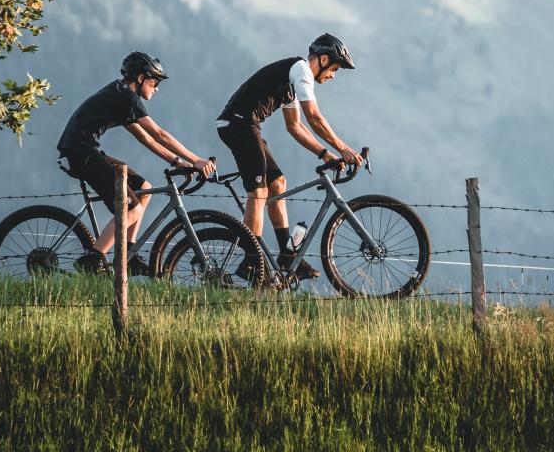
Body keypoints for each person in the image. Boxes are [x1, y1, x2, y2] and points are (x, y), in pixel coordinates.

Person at [216, 33, 363, 280]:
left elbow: (295, 126)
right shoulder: (301, 70)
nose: (333, 76)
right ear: (324, 60)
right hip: (238, 125)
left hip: (246, 126)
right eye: (335, 69)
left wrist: (325, 154)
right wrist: (343, 148)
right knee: (258, 193)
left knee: (277, 184)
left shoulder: (292, 79)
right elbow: (313, 117)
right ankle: (251, 262)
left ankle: (287, 255)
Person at [57, 52, 215, 273]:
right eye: (155, 82)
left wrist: (177, 162)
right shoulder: (127, 97)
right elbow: (159, 134)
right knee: (131, 209)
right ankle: (94, 259)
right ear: (141, 78)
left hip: (84, 150)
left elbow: (146, 138)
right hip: (81, 154)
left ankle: (128, 255)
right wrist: (196, 160)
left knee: (144, 189)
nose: (157, 88)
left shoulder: (121, 94)